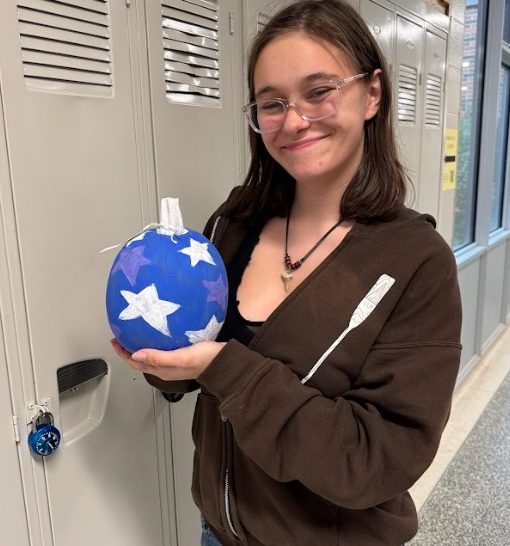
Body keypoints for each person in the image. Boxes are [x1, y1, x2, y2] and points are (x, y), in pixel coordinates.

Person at [111, 1, 462, 544]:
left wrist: (226, 368)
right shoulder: (234, 222)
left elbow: (378, 460)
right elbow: (196, 365)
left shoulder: (416, 262)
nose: (294, 121)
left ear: (372, 93)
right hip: (217, 533)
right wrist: (161, 360)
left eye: (319, 91)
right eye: (272, 103)